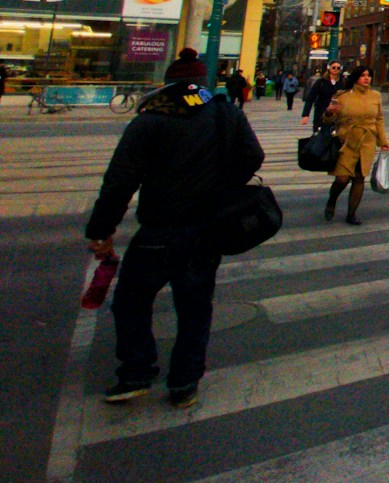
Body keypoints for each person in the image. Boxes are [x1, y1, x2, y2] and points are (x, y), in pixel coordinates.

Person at [84, 47, 263, 409]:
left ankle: (136, 371)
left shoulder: (149, 120)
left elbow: (119, 181)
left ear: (168, 83)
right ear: (202, 82)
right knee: (195, 307)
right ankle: (184, 382)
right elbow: (253, 156)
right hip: (205, 230)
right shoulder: (224, 113)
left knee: (131, 303)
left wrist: (101, 230)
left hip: (157, 230)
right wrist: (223, 186)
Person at [323, 65, 388, 226]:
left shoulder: (375, 96)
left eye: (369, 75)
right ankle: (332, 199)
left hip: (367, 142)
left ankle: (351, 214)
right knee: (342, 178)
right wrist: (329, 112)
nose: (367, 78)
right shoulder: (342, 95)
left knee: (359, 178)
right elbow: (329, 120)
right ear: (355, 78)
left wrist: (383, 142)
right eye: (363, 75)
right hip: (347, 141)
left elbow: (379, 119)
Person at [300, 62, 342, 131]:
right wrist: (305, 115)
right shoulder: (321, 82)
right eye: (333, 67)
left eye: (338, 68)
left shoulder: (343, 82)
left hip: (338, 114)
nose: (336, 69)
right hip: (321, 112)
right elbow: (310, 98)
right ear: (329, 68)